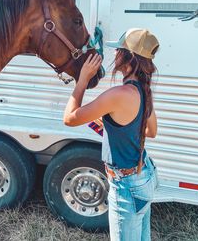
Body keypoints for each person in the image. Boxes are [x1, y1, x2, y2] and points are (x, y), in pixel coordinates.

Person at [64, 28, 160, 241]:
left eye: (118, 50)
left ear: (128, 57)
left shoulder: (118, 95)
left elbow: (69, 118)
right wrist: (120, 128)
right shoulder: (145, 90)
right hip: (144, 175)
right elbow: (151, 131)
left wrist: (82, 79)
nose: (115, 55)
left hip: (126, 185)